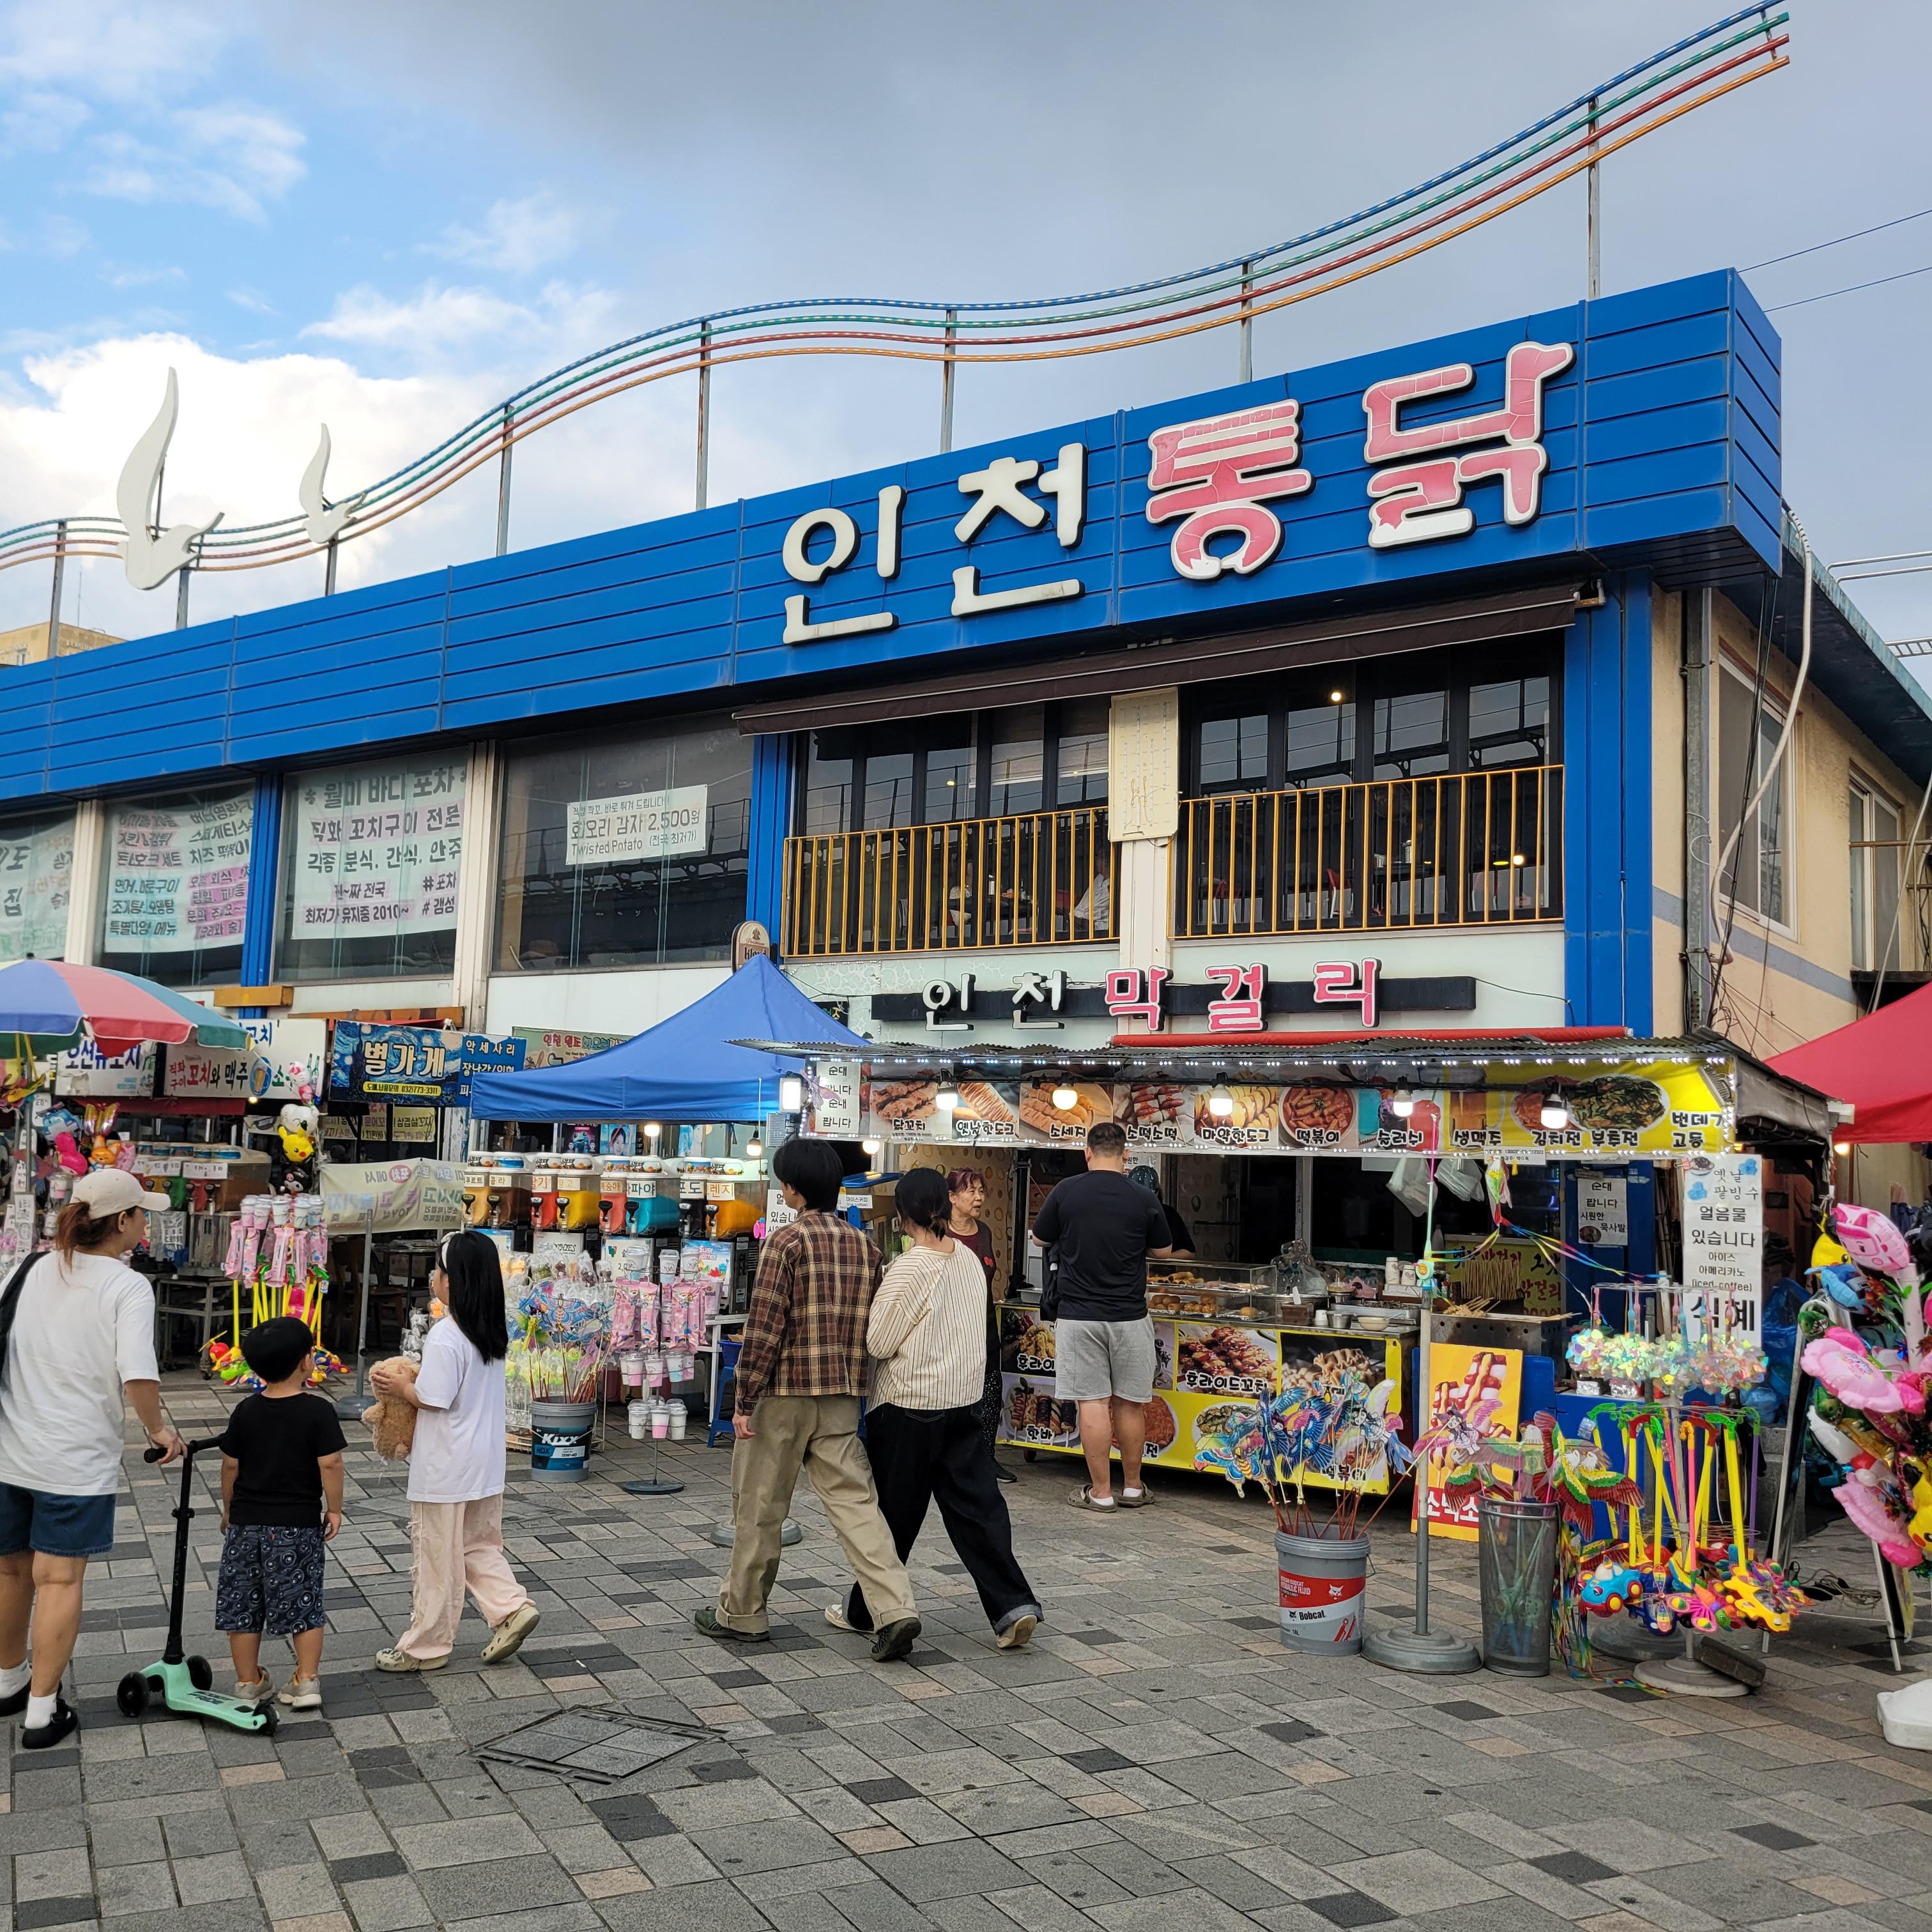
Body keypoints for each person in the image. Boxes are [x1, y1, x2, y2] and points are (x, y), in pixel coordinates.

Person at [700, 1136, 921, 1662]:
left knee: (761, 1505)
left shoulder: (786, 1242)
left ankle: (743, 1613)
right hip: (842, 1394)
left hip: (782, 1395)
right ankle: (895, 1609)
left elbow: (764, 1327)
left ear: (793, 1190)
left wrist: (743, 1398)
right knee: (856, 1505)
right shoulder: (866, 1247)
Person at [0, 1168, 184, 1748]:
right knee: (58, 1580)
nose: (145, 1222)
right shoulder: (127, 1286)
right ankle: (41, 1711)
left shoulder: (30, 1267)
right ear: (122, 1221)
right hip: (73, 1459)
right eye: (141, 1213)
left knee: (10, 1571)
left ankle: (7, 1682)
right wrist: (159, 1430)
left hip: (8, 1449)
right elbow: (138, 1374)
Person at [829, 1168, 1039, 1649]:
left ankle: (872, 1611)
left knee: (893, 1517)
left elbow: (879, 1342)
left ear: (905, 1215)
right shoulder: (968, 1260)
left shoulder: (909, 1267)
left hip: (910, 1404)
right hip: (963, 1401)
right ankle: (1013, 1606)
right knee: (978, 1509)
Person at [371, 1231, 540, 1671]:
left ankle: (425, 1646)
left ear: (455, 1280)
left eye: (440, 1270)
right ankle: (511, 1607)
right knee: (477, 1544)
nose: (434, 1277)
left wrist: (401, 1386)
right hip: (484, 1461)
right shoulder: (490, 1328)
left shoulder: (447, 1334)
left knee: (436, 1557)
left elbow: (434, 1397)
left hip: (446, 1465)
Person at [1031, 1122, 1172, 1512]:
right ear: (1126, 1155)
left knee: (1091, 1402)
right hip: (1130, 1315)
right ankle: (1133, 1488)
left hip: (1079, 1315)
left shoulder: (1066, 1191)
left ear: (1087, 1153)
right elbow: (1163, 1251)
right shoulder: (1142, 1196)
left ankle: (1101, 1492)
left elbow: (1040, 1238)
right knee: (1130, 1404)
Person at [215, 1316, 346, 1711]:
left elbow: (230, 1466)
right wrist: (334, 1509)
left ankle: (247, 1682)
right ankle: (306, 1681)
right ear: (306, 1362)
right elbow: (331, 1464)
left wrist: (229, 1510)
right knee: (303, 1600)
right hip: (296, 1526)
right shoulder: (318, 1411)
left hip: (246, 1525)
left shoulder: (245, 1411)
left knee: (242, 1602)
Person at [947, 1167, 1015, 1483]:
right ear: (952, 1197)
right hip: (951, 1328)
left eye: (981, 1191)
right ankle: (952, 1458)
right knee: (953, 1393)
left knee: (990, 1392)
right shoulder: (939, 1233)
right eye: (970, 1191)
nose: (979, 1198)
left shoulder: (985, 1231)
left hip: (985, 1325)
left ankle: (986, 1457)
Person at [1128, 1165, 1196, 1257]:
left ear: (1157, 1193)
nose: (1141, 1201)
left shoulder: (1169, 1215)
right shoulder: (1121, 1213)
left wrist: (1158, 1258)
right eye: (1136, 1195)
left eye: (1147, 1196)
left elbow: (1189, 1253)